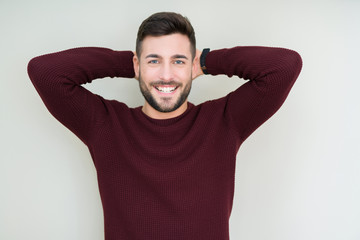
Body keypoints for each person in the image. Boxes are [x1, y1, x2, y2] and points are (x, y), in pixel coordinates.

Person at [28, 11, 302, 240]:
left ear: (192, 65)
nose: (167, 75)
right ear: (137, 65)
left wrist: (205, 61)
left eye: (178, 61)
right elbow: (46, 73)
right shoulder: (105, 125)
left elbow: (284, 66)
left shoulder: (224, 122)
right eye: (154, 61)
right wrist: (132, 64)